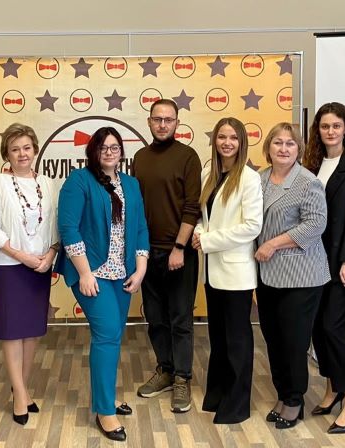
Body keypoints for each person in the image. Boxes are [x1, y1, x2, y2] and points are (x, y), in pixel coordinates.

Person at [58, 127, 149, 441]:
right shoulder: (78, 181)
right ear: (93, 151)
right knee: (107, 334)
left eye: (115, 147)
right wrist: (85, 273)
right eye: (103, 147)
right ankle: (104, 411)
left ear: (121, 151)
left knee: (114, 336)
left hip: (123, 273)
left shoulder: (131, 184)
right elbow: (69, 228)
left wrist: (141, 268)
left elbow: (140, 228)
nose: (109, 152)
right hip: (92, 273)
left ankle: (106, 396)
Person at [0, 123, 59, 425]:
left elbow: (56, 226)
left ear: (35, 150)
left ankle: (21, 390)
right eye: (15, 149)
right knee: (13, 333)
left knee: (32, 332)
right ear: (7, 154)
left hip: (40, 266)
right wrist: (22, 256)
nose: (22, 154)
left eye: (27, 147)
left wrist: (50, 254)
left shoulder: (48, 183)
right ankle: (20, 395)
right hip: (8, 266)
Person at [255, 122, 330, 430]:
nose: (283, 148)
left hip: (301, 275)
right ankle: (283, 394)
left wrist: (273, 244)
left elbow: (315, 225)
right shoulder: (259, 179)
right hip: (267, 274)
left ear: (299, 149)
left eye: (290, 143)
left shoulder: (308, 182)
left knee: (293, 341)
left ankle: (295, 401)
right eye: (278, 143)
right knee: (273, 338)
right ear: (268, 147)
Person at [303, 102, 345, 433]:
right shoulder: (313, 163)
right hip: (312, 259)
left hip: (340, 261)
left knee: (333, 327)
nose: (330, 131)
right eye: (324, 126)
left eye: (336, 125)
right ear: (317, 130)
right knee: (318, 327)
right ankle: (332, 389)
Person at [191, 117, 262, 424]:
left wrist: (207, 240)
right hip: (212, 271)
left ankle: (237, 404)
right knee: (218, 338)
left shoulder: (249, 178)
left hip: (236, 273)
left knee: (237, 340)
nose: (227, 143)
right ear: (215, 140)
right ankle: (218, 394)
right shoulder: (208, 172)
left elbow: (252, 226)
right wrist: (198, 232)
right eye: (222, 137)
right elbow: (202, 215)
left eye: (233, 137)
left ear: (241, 142)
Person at [133, 99, 202, 413]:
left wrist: (179, 248)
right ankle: (166, 370)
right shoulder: (140, 158)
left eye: (168, 120)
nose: (162, 124)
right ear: (149, 122)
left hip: (178, 253)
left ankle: (183, 378)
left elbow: (192, 206)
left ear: (177, 123)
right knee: (156, 318)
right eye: (157, 119)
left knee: (180, 319)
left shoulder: (188, 157)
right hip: (147, 253)